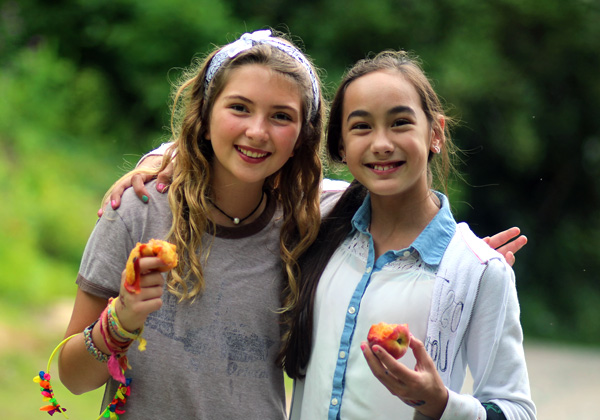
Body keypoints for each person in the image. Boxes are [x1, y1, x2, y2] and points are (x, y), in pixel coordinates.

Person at [57, 29, 328, 420]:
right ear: (203, 116)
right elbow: (73, 378)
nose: (257, 131)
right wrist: (123, 318)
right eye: (239, 107)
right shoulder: (139, 208)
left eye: (281, 116)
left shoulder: (306, 228)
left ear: (303, 136)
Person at [277, 51, 536, 420]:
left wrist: (442, 405)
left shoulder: (476, 270)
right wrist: (165, 164)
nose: (381, 143)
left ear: (435, 134)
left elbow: (517, 410)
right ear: (341, 147)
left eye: (400, 122)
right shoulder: (315, 217)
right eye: (361, 127)